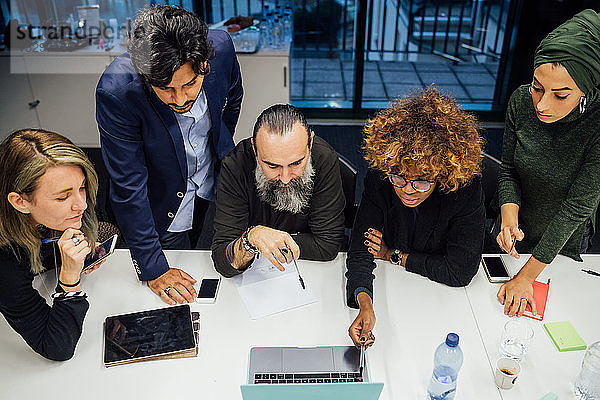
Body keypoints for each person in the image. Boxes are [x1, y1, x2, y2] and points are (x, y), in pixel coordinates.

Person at [96, 5, 243, 305]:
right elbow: (128, 187)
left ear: (203, 63)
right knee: (174, 272)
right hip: (159, 202)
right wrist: (154, 268)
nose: (180, 99)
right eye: (165, 89)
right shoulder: (116, 93)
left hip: (210, 183)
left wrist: (216, 146)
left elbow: (233, 98)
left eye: (189, 84)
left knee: (205, 246)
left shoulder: (223, 47)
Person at [345, 88, 485, 348]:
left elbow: (460, 271)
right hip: (402, 287)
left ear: (442, 174)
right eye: (399, 178)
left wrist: (392, 255)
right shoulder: (382, 176)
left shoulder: (463, 188)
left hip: (442, 302)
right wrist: (365, 303)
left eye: (421, 182)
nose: (408, 190)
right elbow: (360, 250)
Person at [496, 9, 600, 317]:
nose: (542, 104)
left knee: (558, 310)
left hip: (564, 237)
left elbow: (576, 209)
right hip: (516, 227)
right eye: (537, 87)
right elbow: (508, 171)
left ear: (587, 90)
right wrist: (508, 215)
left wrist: (526, 277)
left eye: (560, 95)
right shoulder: (520, 101)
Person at [0, 129, 100, 360]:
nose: (81, 204)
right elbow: (56, 348)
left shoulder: (67, 208)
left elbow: (102, 225)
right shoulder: (5, 260)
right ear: (20, 202)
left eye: (82, 187)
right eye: (62, 197)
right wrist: (69, 278)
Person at [211, 104, 345, 276]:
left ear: (310, 143)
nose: (285, 177)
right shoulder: (235, 165)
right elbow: (224, 260)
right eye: (272, 166)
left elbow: (326, 246)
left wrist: (263, 243)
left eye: (296, 163)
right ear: (254, 149)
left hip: (310, 272)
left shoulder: (324, 158)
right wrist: (251, 238)